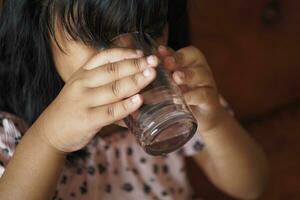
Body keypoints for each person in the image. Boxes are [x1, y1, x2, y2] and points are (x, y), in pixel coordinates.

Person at [0, 0, 268, 199]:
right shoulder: (11, 133)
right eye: (99, 36)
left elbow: (251, 186)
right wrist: (50, 139)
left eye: (148, 31)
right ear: (38, 29)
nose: (132, 56)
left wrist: (215, 123)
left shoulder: (168, 101)